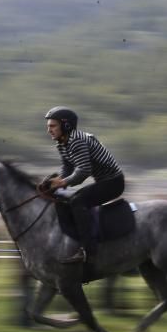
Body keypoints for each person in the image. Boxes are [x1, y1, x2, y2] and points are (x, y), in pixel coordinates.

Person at [43, 106, 125, 264]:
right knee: (64, 199)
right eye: (48, 126)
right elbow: (67, 168)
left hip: (113, 182)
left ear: (66, 125)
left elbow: (83, 170)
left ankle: (89, 250)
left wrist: (62, 182)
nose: (49, 130)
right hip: (103, 181)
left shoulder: (76, 140)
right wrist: (56, 182)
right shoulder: (62, 143)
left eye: (52, 126)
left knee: (77, 202)